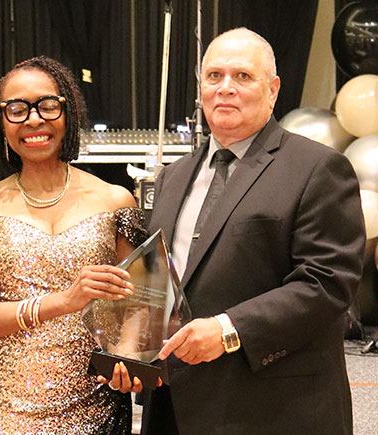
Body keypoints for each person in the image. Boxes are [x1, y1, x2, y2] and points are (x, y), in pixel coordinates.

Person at [141, 28, 366, 434]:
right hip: (178, 408)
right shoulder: (172, 178)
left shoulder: (317, 168)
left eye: (242, 76)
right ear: (200, 89)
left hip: (273, 408)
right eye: (214, 76)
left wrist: (228, 330)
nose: (225, 88)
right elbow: (162, 284)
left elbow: (327, 283)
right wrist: (134, 355)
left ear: (273, 89)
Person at [0, 56, 146, 435]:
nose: (34, 120)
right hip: (10, 405)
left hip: (97, 402)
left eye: (47, 105)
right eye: (17, 109)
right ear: (0, 121)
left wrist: (129, 350)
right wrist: (62, 302)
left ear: (66, 112)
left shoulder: (115, 199)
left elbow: (141, 300)